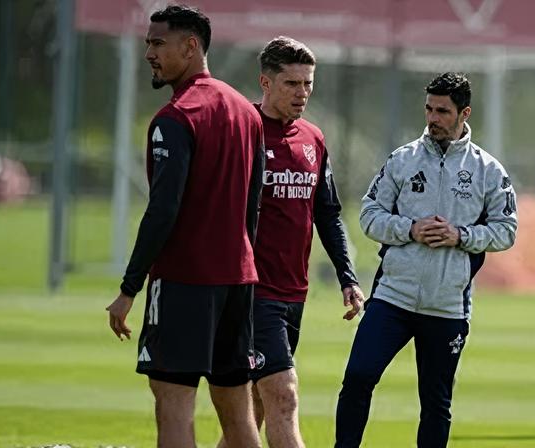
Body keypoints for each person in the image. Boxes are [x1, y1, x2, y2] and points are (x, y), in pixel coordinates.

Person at [104, 5, 265, 447]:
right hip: (237, 280)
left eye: (158, 44)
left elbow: (162, 210)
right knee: (238, 415)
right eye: (147, 44)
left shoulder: (175, 118)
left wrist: (129, 288)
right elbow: (254, 206)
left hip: (185, 282)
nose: (149, 54)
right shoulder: (247, 114)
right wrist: (241, 262)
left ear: (190, 46)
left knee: (173, 407)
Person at [335, 72, 518, 447]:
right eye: (429, 109)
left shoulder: (488, 170)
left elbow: (507, 230)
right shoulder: (402, 160)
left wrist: (461, 236)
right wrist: (410, 229)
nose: (432, 118)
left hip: (448, 305)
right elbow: (369, 215)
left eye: (443, 111)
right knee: (357, 379)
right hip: (393, 297)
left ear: (464, 113)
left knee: (436, 404)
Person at [219, 36, 365, 448]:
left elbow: (327, 213)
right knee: (283, 394)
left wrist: (347, 276)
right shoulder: (241, 131)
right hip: (250, 289)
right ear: (265, 82)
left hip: (293, 291)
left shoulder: (313, 139)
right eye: (292, 84)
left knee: (256, 408)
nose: (302, 93)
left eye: (308, 83)